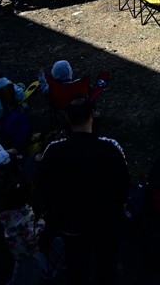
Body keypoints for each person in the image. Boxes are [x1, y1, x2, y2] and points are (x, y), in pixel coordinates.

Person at [38, 97, 130, 285]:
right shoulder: (111, 147)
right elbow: (124, 185)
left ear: (67, 118)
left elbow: (44, 187)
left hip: (70, 224)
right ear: (92, 116)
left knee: (76, 265)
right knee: (106, 264)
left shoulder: (53, 151)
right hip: (106, 223)